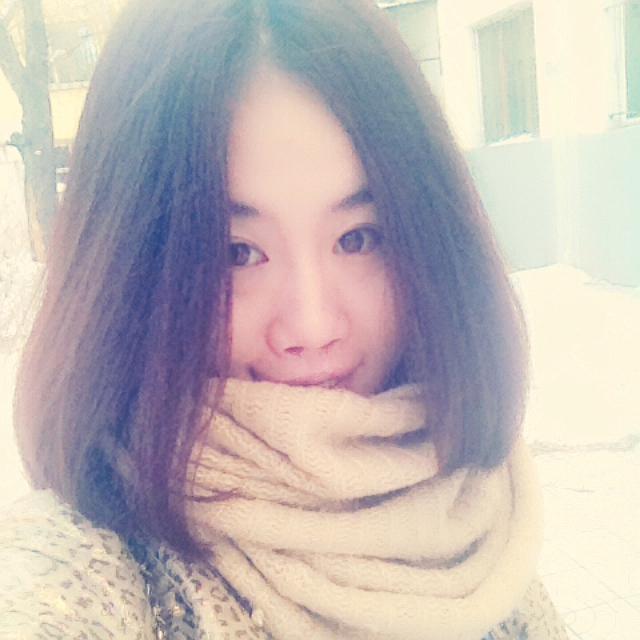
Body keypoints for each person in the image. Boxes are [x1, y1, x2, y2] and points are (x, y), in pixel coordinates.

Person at [1, 0, 568, 638]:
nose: (312, 327)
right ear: (126, 275)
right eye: (235, 253)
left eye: (359, 238)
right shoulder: (83, 574)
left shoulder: (479, 527)